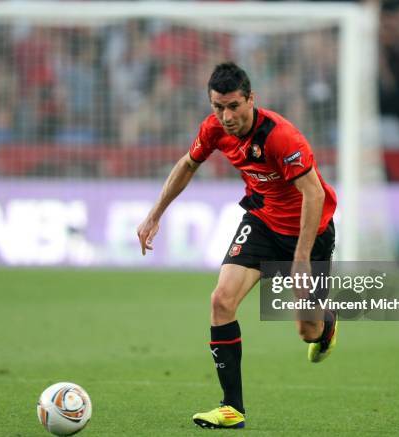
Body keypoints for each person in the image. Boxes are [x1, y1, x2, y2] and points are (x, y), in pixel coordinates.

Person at [136, 62, 338, 429]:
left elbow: (313, 194)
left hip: (311, 231)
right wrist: (155, 214)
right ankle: (232, 408)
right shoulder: (214, 129)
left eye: (232, 106)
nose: (225, 116)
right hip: (261, 222)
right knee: (221, 300)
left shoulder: (281, 137)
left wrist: (302, 258)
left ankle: (326, 324)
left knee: (307, 331)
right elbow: (187, 164)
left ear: (250, 100)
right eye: (217, 106)